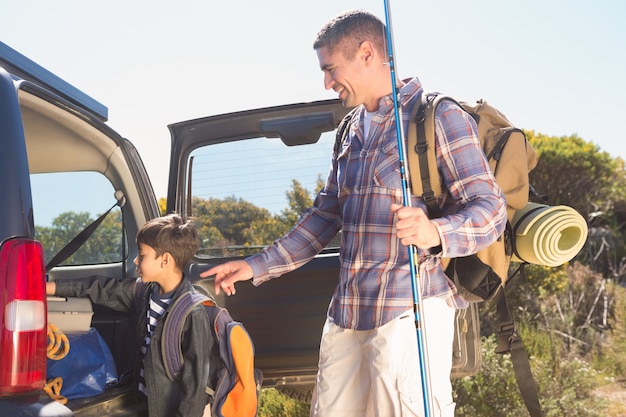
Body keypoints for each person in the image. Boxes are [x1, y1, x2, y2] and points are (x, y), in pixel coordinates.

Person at [201, 9, 507, 417]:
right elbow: (323, 218)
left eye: (330, 69)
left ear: (366, 53)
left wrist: (434, 231)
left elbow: (491, 211)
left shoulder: (437, 117)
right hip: (346, 315)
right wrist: (255, 266)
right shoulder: (350, 130)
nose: (326, 82)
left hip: (407, 312)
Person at [47, 214, 212, 417]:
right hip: (145, 402)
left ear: (165, 260)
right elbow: (102, 289)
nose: (135, 261)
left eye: (142, 255)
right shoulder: (144, 293)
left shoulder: (192, 314)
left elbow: (195, 384)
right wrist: (51, 287)